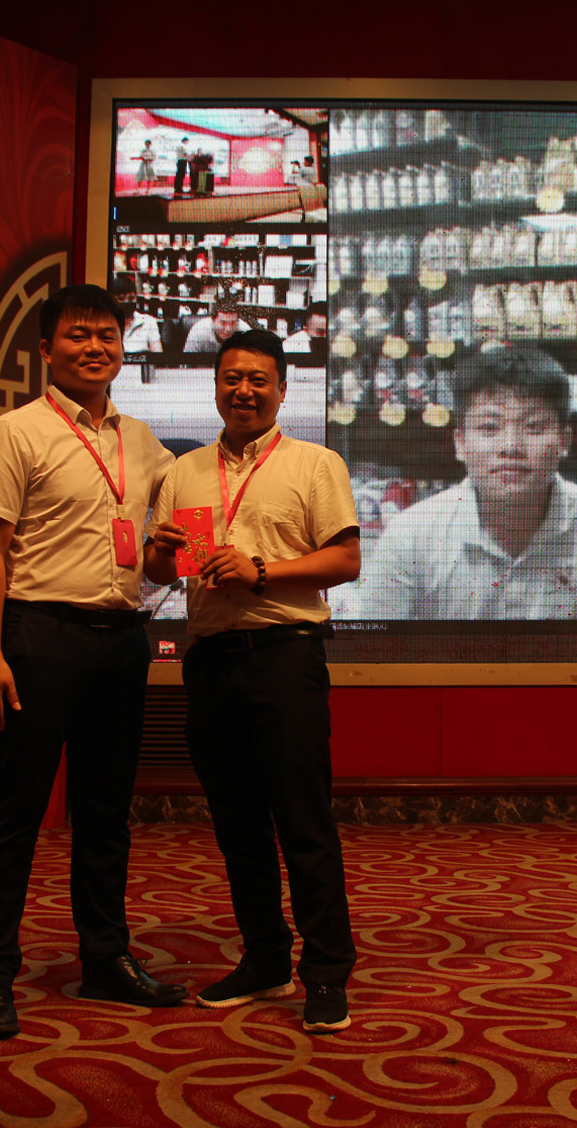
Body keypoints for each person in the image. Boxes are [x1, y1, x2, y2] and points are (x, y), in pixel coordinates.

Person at [0, 283, 185, 1040]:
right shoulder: (16, 431)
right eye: (79, 335)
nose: (95, 347)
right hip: (40, 635)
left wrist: (175, 553)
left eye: (107, 335)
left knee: (105, 813)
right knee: (16, 811)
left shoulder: (143, 442)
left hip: (121, 640)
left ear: (124, 345)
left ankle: (104, 958)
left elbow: (161, 545)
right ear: (46, 349)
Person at [143, 328, 362, 1034]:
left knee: (302, 822)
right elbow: (161, 571)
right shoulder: (182, 472)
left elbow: (346, 561)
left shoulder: (315, 463)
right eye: (231, 378)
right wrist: (158, 553)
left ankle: (325, 971)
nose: (243, 390)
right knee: (236, 825)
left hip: (284, 655)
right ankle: (265, 958)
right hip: (209, 659)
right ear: (215, 385)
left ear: (281, 390)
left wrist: (261, 569)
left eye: (258, 380)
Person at [360, 345, 577, 620]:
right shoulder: (410, 536)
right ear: (460, 443)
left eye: (533, 427)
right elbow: (375, 645)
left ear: (564, 441)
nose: (510, 446)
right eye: (489, 427)